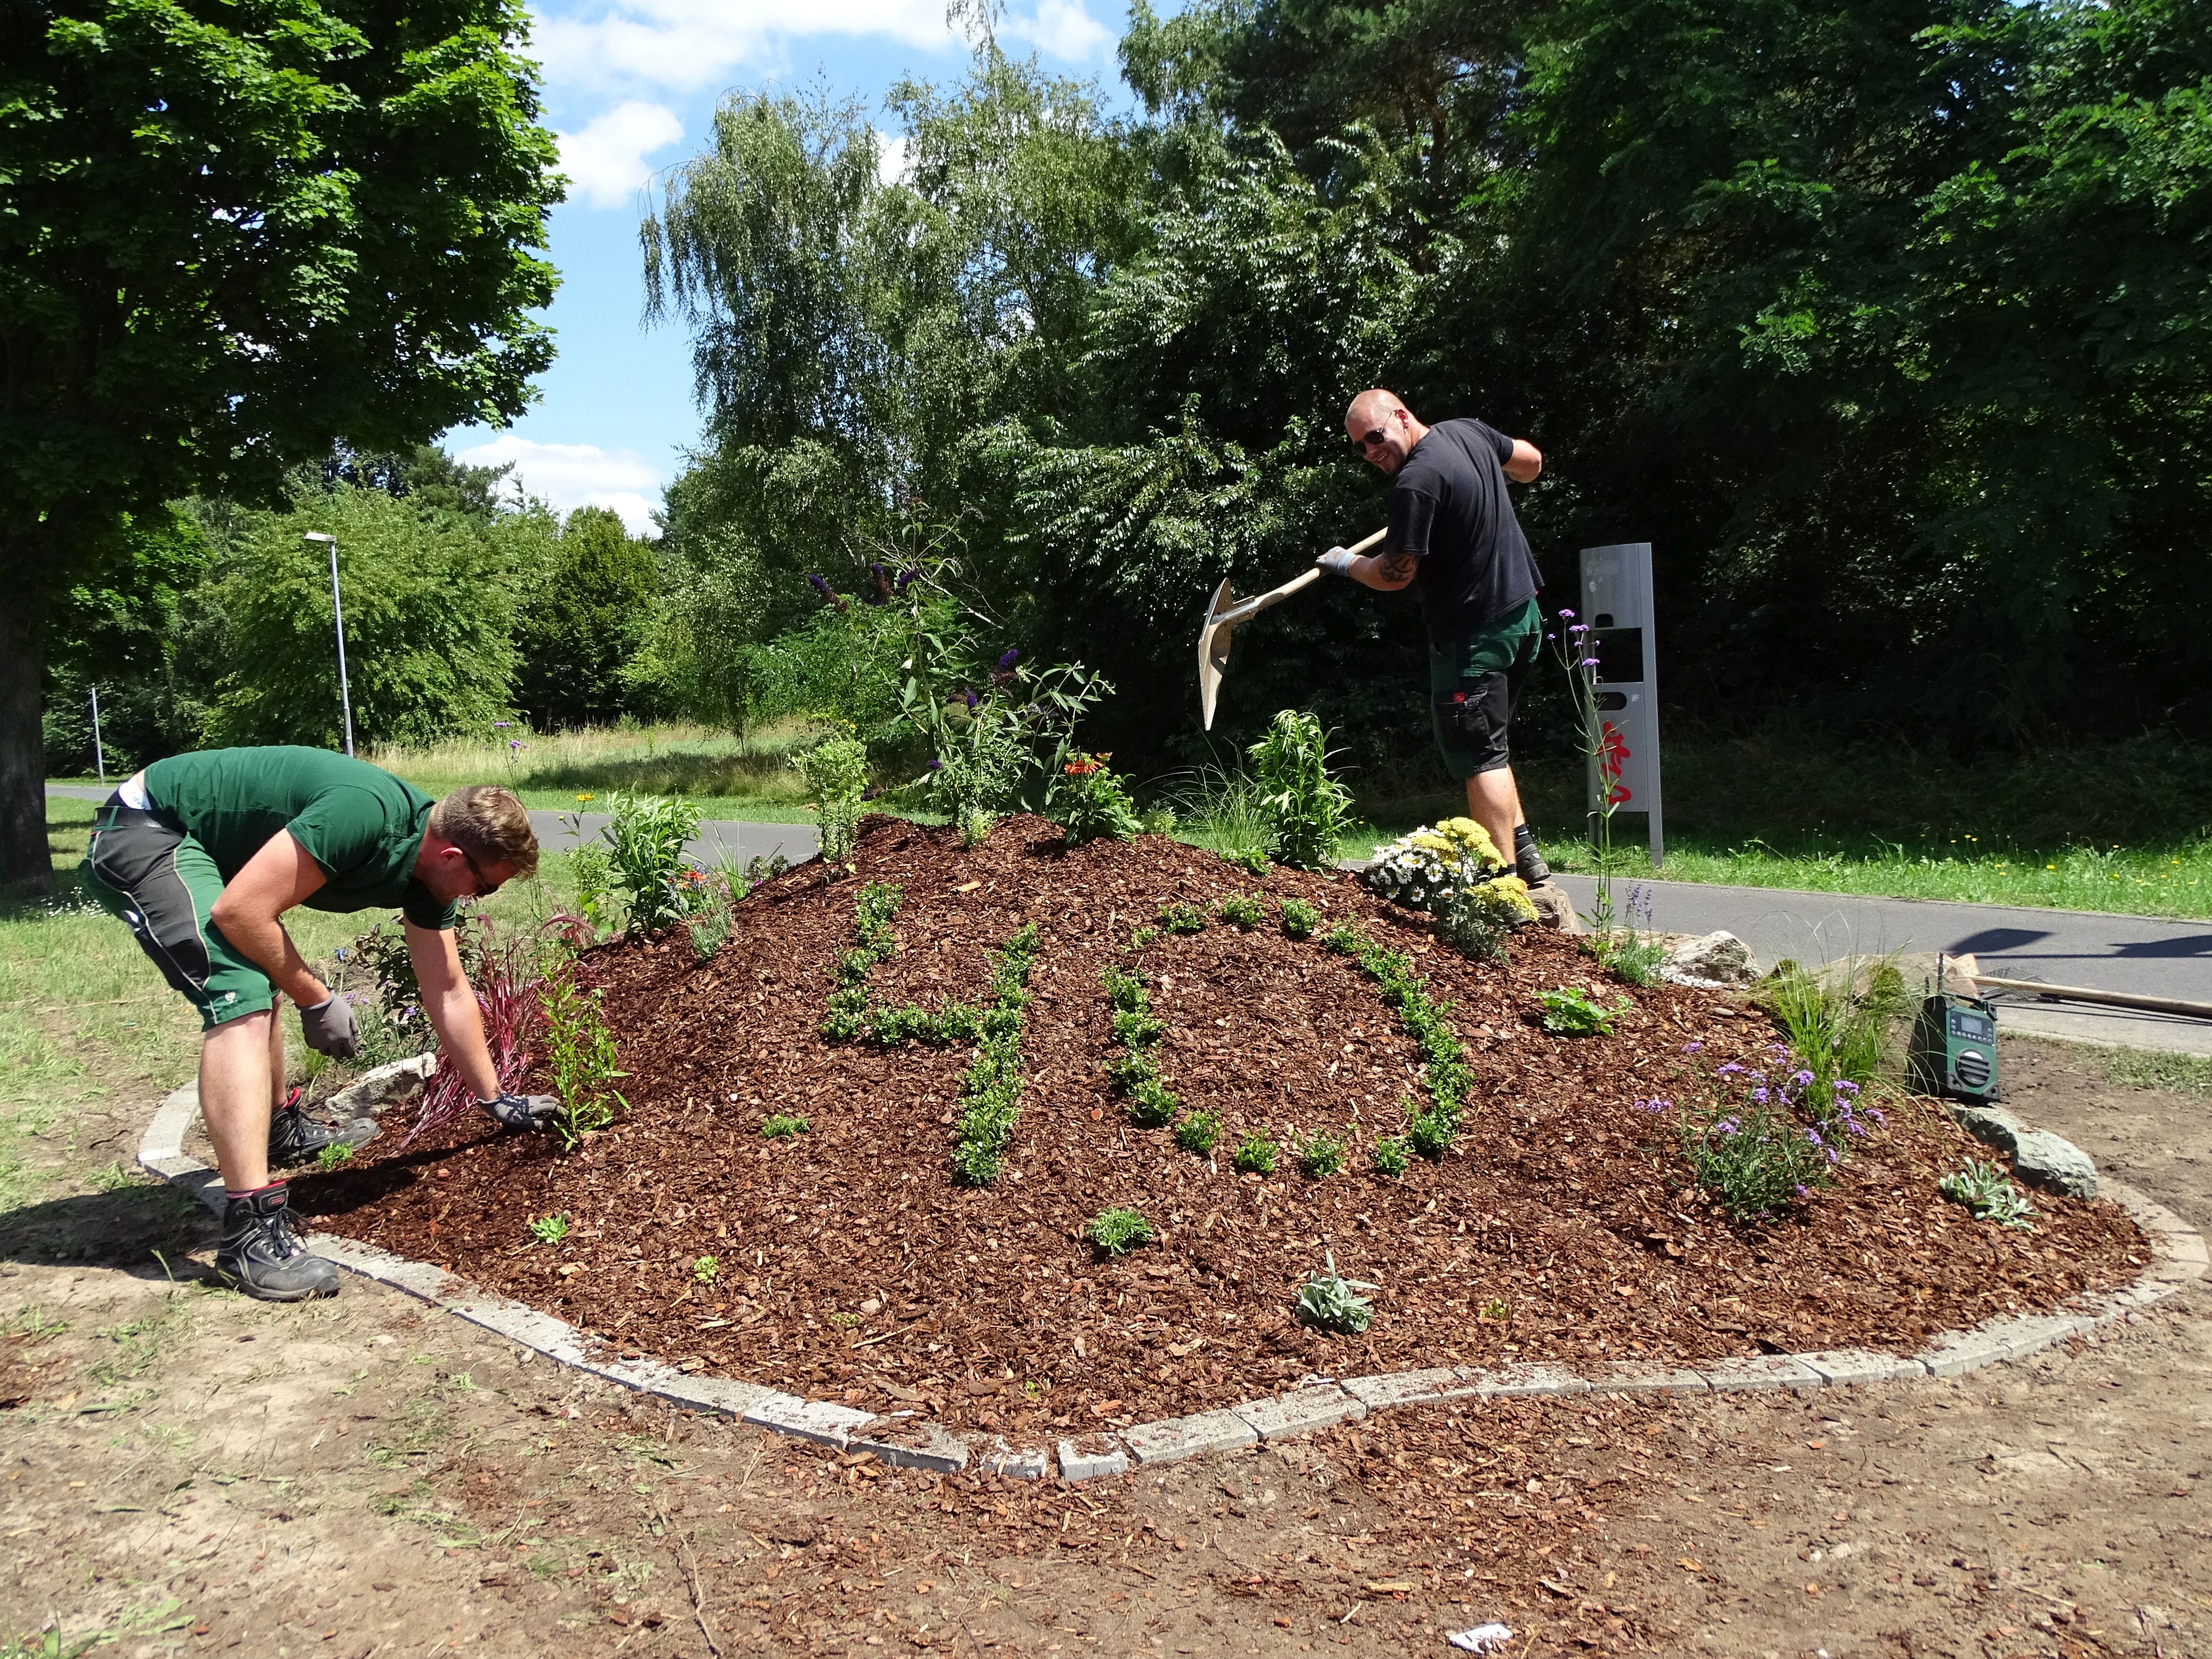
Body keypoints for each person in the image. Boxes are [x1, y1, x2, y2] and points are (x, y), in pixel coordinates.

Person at [79, 747, 558, 1301]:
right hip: (151, 828)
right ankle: (248, 1232)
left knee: (259, 971)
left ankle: (277, 1129)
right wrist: (317, 997)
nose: (478, 898)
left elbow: (447, 987)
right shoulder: (362, 815)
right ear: (452, 855)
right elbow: (239, 912)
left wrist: (495, 1098)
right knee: (240, 994)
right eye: (486, 886)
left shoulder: (427, 872)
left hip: (207, 845)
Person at [1316, 388, 1556, 894]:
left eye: (1375, 437)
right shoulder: (1465, 432)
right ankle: (1526, 854)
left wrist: (1346, 564)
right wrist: (1487, 481)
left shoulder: (1415, 483)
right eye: (1359, 447)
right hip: (1522, 617)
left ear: (1401, 417)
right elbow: (1530, 462)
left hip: (1474, 635)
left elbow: (1394, 573)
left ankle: (1502, 888)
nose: (1370, 452)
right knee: (1492, 744)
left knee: (1480, 755)